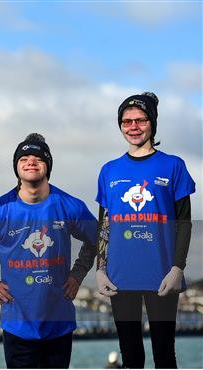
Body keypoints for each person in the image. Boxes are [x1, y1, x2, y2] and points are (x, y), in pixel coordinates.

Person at [0, 133, 97, 368]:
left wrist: (78, 274)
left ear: (48, 166)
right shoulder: (1, 210)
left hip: (59, 323)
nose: (31, 161)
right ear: (16, 167)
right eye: (24, 158)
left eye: (38, 157)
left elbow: (98, 238)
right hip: (18, 325)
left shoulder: (70, 206)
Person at [95, 92, 195, 368]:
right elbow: (104, 224)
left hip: (162, 275)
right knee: (131, 355)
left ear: (152, 123)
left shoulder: (173, 166)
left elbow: (184, 222)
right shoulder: (109, 170)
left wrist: (177, 268)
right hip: (120, 276)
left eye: (140, 120)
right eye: (126, 122)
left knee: (164, 354)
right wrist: (100, 269)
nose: (133, 127)